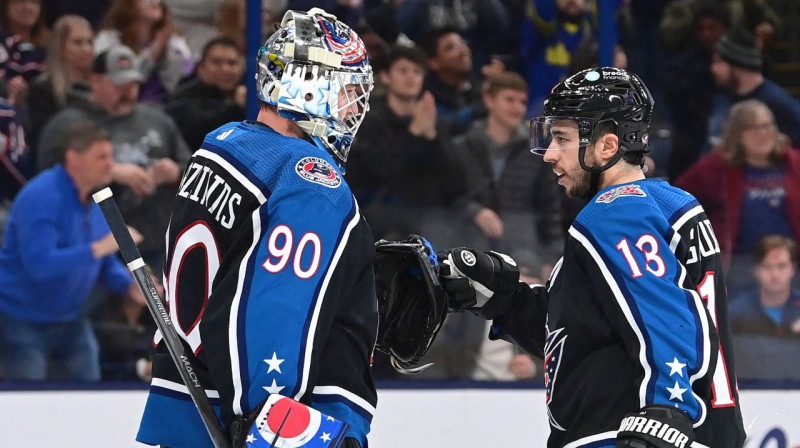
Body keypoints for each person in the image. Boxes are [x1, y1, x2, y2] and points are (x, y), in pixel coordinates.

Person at [439, 67, 745, 447]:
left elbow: (663, 313)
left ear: (607, 146)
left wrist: (665, 410)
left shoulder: (616, 213)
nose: (549, 154)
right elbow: (590, 331)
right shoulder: (666, 204)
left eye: (561, 138)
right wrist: (505, 303)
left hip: (624, 433)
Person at [136, 8, 377, 448]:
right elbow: (274, 309)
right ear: (310, 87)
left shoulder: (223, 144)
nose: (354, 108)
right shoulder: (309, 179)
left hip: (186, 410)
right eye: (347, 90)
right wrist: (271, 424)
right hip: (257, 426)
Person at [0, 120, 144, 381]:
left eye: (110, 156)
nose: (110, 164)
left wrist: (130, 286)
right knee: (24, 403)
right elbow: (40, 265)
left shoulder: (97, 200)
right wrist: (99, 248)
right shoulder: (41, 195)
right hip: (21, 320)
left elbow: (104, 263)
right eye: (101, 157)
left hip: (71, 319)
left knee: (89, 393)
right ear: (73, 158)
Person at [36, 44, 192, 270]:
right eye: (119, 84)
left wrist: (175, 171)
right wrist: (110, 172)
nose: (128, 92)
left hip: (157, 243)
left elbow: (193, 169)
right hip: (95, 250)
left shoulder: (157, 119)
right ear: (95, 81)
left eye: (134, 84)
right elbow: (48, 185)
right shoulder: (66, 125)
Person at [674, 99, 800, 295]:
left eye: (767, 126)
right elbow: (677, 200)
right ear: (736, 134)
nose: (763, 134)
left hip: (792, 265)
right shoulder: (715, 168)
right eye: (753, 128)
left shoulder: (793, 163)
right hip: (741, 267)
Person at [707, 27, 800, 150]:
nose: (713, 69)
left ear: (737, 65)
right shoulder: (722, 100)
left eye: (718, 62)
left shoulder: (780, 104)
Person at [729, 235, 800, 380]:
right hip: (749, 395)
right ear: (755, 270)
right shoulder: (736, 313)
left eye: (781, 266)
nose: (774, 274)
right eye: (767, 267)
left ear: (793, 268)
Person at [95, 0, 194, 103]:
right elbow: (112, 79)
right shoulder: (109, 38)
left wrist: (168, 54)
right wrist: (151, 56)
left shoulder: (173, 40)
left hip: (164, 107)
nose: (155, 1)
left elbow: (183, 80)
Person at [25, 14, 94, 152]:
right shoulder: (42, 89)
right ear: (60, 47)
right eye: (78, 42)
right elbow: (42, 138)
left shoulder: (98, 87)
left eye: (89, 42)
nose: (86, 49)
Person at [165, 36, 246, 151]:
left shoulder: (254, 95)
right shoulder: (184, 97)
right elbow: (199, 132)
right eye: (217, 62)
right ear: (201, 68)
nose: (225, 69)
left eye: (232, 63)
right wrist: (236, 108)